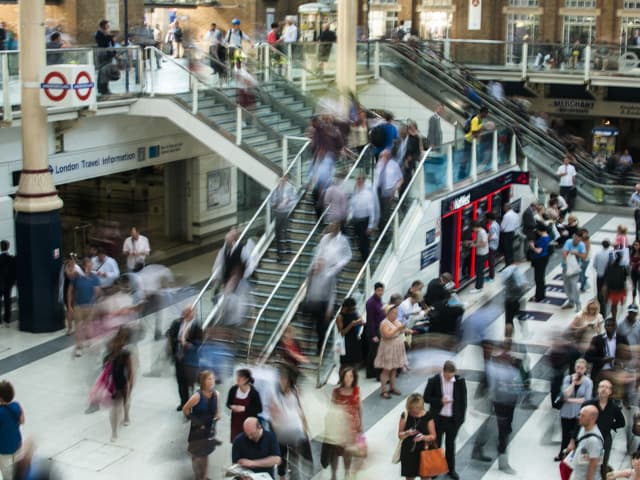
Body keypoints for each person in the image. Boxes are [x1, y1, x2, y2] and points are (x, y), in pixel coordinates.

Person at [306, 223, 352, 354]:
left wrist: (330, 308)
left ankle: (321, 348)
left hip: (323, 303)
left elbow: (332, 292)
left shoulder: (328, 276)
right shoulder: (312, 275)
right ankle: (314, 345)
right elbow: (309, 288)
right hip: (313, 302)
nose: (318, 266)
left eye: (320, 264)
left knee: (322, 327)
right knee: (314, 326)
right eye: (317, 264)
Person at [423, 361, 466, 480]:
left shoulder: (460, 381)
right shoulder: (434, 381)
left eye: (452, 375)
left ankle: (451, 469)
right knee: (436, 445)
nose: (450, 378)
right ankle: (435, 470)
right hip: (438, 419)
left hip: (452, 420)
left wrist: (461, 419)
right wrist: (439, 401)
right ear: (444, 371)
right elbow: (426, 398)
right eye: (448, 376)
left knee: (450, 445)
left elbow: (463, 401)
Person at [270, 365, 311, 480]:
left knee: (294, 457)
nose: (282, 382)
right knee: (281, 456)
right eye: (280, 379)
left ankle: (294, 477)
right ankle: (282, 477)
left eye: (284, 379)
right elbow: (272, 413)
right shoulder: (275, 394)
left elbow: (300, 410)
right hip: (281, 432)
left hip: (295, 431)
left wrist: (305, 427)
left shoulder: (295, 392)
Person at [323, 366, 363, 480]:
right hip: (338, 427)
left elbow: (360, 407)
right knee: (335, 452)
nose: (348, 379)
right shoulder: (336, 392)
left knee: (348, 452)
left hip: (352, 427)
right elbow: (331, 408)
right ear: (342, 377)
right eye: (346, 376)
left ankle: (346, 473)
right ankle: (334, 475)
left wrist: (361, 423)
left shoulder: (357, 390)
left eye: (351, 376)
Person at [583, 379, 625, 479]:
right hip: (588, 438)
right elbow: (579, 422)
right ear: (598, 389)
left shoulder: (614, 407)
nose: (604, 389)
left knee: (603, 464)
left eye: (607, 388)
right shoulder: (589, 404)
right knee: (585, 463)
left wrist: (611, 425)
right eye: (602, 386)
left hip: (605, 438)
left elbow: (622, 423)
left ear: (610, 391)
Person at [183, 370, 220, 480]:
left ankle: (204, 476)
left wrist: (217, 415)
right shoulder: (197, 396)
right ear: (203, 381)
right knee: (196, 455)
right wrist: (195, 421)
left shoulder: (216, 394)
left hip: (209, 430)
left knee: (206, 454)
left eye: (213, 378)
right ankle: (197, 477)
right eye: (209, 379)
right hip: (197, 431)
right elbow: (185, 409)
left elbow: (218, 410)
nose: (212, 381)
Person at [556, 359, 593, 461]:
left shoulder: (588, 382)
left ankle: (572, 456)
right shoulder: (568, 378)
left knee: (575, 436)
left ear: (585, 369)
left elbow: (586, 399)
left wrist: (570, 400)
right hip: (566, 412)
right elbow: (565, 394)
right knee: (565, 435)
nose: (579, 370)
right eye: (577, 368)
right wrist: (573, 383)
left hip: (579, 413)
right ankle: (562, 454)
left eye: (582, 368)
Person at [167, 307, 203, 411]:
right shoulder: (178, 323)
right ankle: (183, 402)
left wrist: (190, 345)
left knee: (190, 382)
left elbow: (199, 342)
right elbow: (171, 335)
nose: (185, 314)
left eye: (188, 312)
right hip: (179, 356)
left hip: (190, 359)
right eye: (184, 312)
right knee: (180, 380)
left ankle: (191, 404)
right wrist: (176, 340)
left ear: (192, 313)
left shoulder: (196, 325)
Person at [398, 393, 437, 480]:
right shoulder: (405, 415)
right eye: (412, 408)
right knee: (410, 477)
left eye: (417, 408)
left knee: (426, 477)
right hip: (409, 452)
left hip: (425, 451)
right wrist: (407, 433)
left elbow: (433, 436)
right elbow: (400, 435)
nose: (415, 410)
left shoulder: (428, 416)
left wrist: (423, 437)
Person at [106, 326, 134, 442]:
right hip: (115, 382)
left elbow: (131, 372)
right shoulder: (111, 349)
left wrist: (130, 385)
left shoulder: (126, 353)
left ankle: (126, 416)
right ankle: (114, 431)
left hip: (122, 381)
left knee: (123, 402)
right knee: (115, 406)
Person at [69, 257, 101, 357]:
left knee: (89, 325)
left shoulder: (94, 277)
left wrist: (94, 301)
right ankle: (79, 347)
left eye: (91, 265)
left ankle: (89, 341)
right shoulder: (76, 277)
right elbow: (70, 291)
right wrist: (70, 305)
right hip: (78, 305)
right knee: (78, 327)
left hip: (90, 306)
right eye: (89, 265)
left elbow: (97, 291)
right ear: (84, 266)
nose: (91, 267)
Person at [375, 304, 408, 399]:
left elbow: (401, 329)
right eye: (393, 313)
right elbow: (387, 335)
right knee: (386, 370)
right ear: (388, 313)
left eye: (396, 313)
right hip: (388, 348)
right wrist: (398, 329)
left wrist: (406, 330)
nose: (395, 315)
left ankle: (392, 387)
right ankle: (383, 390)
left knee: (394, 369)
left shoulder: (396, 321)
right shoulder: (384, 323)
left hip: (397, 347)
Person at [586, 317, 630, 384]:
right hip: (600, 371)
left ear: (616, 327)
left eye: (612, 325)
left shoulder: (622, 339)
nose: (610, 328)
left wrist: (620, 361)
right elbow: (587, 357)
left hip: (617, 371)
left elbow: (629, 356)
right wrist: (602, 360)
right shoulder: (597, 340)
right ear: (605, 326)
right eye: (608, 325)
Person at [565, 405, 604, 480]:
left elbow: (594, 464)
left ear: (592, 419)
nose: (579, 417)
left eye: (583, 416)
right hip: (577, 474)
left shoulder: (594, 441)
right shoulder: (583, 428)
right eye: (580, 414)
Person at [226, 369, 263, 443]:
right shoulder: (233, 390)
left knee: (248, 444)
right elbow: (228, 403)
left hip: (249, 425)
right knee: (236, 443)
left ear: (246, 379)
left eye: (240, 377)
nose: (237, 379)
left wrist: (244, 409)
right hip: (235, 423)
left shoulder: (254, 393)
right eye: (237, 377)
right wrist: (232, 407)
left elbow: (259, 409)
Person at [350, 173, 377, 262]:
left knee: (364, 242)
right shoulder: (355, 193)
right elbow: (352, 206)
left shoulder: (367, 194)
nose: (359, 181)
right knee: (359, 241)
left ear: (364, 181)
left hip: (365, 221)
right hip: (356, 220)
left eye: (361, 179)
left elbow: (371, 210)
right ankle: (363, 257)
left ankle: (366, 259)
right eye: (358, 179)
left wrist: (370, 225)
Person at [0, 380, 24, 480]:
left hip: (4, 449)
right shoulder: (17, 406)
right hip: (17, 445)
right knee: (19, 472)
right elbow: (22, 421)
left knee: (8, 475)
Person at [375, 148, 403, 229]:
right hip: (378, 189)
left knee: (385, 212)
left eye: (384, 155)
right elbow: (377, 177)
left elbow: (401, 179)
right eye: (382, 156)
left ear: (389, 156)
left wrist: (395, 189)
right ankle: (380, 227)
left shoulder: (394, 165)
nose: (383, 157)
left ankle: (385, 229)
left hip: (389, 190)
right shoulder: (379, 164)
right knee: (379, 210)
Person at [271, 174, 297, 262]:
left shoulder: (289, 188)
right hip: (277, 213)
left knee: (285, 231)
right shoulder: (275, 189)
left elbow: (294, 200)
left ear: (286, 179)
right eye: (280, 179)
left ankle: (288, 246)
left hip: (286, 213)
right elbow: (271, 202)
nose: (281, 181)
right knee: (278, 233)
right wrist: (274, 205)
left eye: (283, 179)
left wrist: (286, 204)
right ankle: (279, 255)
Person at [562, 231, 587, 312]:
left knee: (574, 285)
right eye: (576, 238)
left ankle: (578, 303)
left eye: (579, 239)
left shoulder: (581, 245)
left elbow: (583, 256)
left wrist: (576, 253)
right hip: (566, 267)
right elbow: (564, 253)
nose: (577, 241)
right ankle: (571, 301)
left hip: (575, 269)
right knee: (567, 285)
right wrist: (568, 262)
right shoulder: (568, 242)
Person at [365, 282, 385, 379]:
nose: (380, 292)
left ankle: (374, 372)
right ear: (375, 290)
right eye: (378, 290)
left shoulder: (379, 300)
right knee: (373, 352)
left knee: (376, 352)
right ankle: (370, 372)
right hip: (374, 330)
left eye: (382, 290)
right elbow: (370, 320)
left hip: (380, 328)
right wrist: (373, 335)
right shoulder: (371, 302)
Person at [337, 297, 364, 368]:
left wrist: (360, 321)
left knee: (355, 363)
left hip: (355, 340)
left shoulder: (354, 312)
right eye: (351, 308)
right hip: (345, 343)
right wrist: (351, 325)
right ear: (346, 307)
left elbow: (362, 321)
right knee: (345, 364)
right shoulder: (340, 317)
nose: (353, 310)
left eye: (354, 308)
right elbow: (342, 333)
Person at [529, 223, 551, 302]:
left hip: (540, 259)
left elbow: (538, 251)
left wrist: (532, 246)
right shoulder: (546, 236)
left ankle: (539, 296)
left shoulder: (543, 239)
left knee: (538, 278)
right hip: (543, 258)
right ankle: (540, 294)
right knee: (540, 278)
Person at [606, 251, 629, 321]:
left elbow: (608, 277)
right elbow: (625, 277)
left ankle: (614, 318)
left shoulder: (610, 266)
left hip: (612, 289)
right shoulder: (623, 267)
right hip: (620, 289)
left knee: (614, 305)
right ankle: (621, 301)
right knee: (618, 302)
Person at [95, 20, 116, 95]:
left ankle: (105, 88)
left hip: (108, 53)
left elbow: (112, 43)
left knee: (107, 72)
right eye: (107, 25)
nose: (108, 26)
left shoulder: (107, 33)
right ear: (103, 25)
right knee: (103, 71)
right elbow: (102, 43)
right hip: (102, 54)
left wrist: (111, 39)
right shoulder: (99, 33)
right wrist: (109, 37)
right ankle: (102, 88)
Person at [594, 240, 614, 315]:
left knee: (599, 292)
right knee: (607, 292)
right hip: (608, 277)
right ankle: (606, 306)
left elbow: (595, 265)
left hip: (600, 276)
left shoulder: (598, 254)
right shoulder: (611, 254)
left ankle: (601, 310)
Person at [0, 240, 16, 327]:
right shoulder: (11, 259)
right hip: (8, 283)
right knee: (7, 301)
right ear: (8, 247)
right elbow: (13, 272)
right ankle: (7, 320)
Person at [470, 220, 489, 292]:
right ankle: (479, 286)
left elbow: (483, 244)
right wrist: (472, 242)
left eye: (472, 228)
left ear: (475, 227)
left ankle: (478, 287)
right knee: (479, 271)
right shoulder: (480, 232)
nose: (472, 230)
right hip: (482, 254)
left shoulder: (482, 233)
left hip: (482, 254)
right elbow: (479, 241)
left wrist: (474, 245)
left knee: (479, 271)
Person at [500, 202, 520, 266]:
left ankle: (508, 263)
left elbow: (502, 227)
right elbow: (517, 224)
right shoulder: (515, 214)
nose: (503, 209)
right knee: (510, 247)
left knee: (506, 249)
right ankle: (511, 261)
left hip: (506, 234)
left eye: (504, 207)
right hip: (512, 232)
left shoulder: (506, 215)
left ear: (506, 208)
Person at [487, 212, 500, 281]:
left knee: (491, 262)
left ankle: (491, 276)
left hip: (492, 246)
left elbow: (492, 236)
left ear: (489, 219)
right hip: (495, 245)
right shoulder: (496, 224)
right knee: (491, 261)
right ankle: (491, 275)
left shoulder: (492, 226)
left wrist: (486, 239)